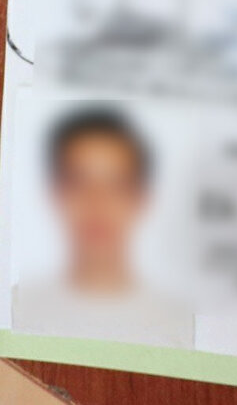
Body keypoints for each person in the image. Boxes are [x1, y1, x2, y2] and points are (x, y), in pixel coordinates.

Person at [11, 105, 193, 348]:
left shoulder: (178, 318)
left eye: (117, 186)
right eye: (79, 183)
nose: (97, 204)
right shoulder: (16, 307)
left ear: (142, 200)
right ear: (55, 194)